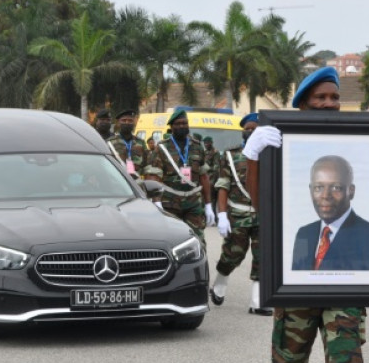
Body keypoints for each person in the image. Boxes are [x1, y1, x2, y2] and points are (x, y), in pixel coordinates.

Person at [242, 66, 369, 363]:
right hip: (296, 280)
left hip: (347, 283)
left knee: (347, 351)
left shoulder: (359, 143)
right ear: (303, 105)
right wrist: (254, 156)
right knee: (289, 351)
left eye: (334, 97)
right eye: (320, 98)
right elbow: (261, 202)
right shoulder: (284, 146)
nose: (329, 103)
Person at [211, 112, 271, 315]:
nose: (250, 132)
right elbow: (223, 185)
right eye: (247, 129)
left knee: (263, 256)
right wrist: (222, 215)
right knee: (233, 254)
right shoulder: (230, 155)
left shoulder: (271, 153)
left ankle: (257, 301)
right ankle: (220, 282)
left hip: (263, 214)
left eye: (254, 129)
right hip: (238, 213)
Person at [144, 109, 216, 246]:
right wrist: (157, 202)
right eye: (178, 124)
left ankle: (199, 267)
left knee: (198, 241)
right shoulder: (162, 148)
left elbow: (204, 177)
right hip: (170, 202)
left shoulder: (197, 146)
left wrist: (208, 205)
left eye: (185, 123)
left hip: (193, 202)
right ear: (171, 127)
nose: (182, 126)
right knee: (172, 242)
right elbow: (154, 176)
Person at [291, 155, 369, 271]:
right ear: (310, 190)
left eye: (336, 187)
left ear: (351, 191)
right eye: (318, 188)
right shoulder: (304, 234)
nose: (325, 196)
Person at [106, 109, 148, 179]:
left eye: (130, 121)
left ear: (134, 123)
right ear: (118, 123)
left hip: (136, 181)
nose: (127, 123)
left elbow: (146, 163)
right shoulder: (110, 142)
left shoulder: (140, 142)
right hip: (117, 180)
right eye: (124, 120)